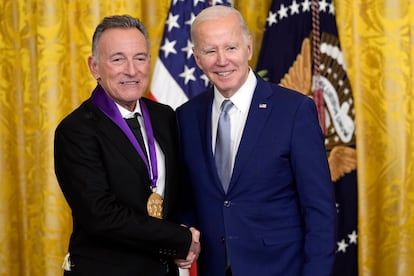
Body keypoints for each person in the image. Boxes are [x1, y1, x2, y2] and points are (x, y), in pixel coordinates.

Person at [176, 6, 336, 276]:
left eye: (230, 48)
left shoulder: (294, 111)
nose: (221, 60)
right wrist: (182, 238)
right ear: (197, 58)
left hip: (282, 269)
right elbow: (190, 199)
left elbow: (319, 210)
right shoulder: (186, 117)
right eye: (210, 51)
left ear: (248, 49)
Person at [54, 14, 200, 276]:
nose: (132, 70)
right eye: (118, 59)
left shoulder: (164, 115)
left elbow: (180, 191)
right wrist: (179, 239)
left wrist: (186, 239)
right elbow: (101, 217)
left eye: (140, 58)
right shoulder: (75, 130)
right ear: (95, 67)